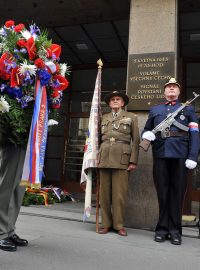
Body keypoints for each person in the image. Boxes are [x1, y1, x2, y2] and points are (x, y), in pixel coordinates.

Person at [141, 78, 200, 245]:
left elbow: (195, 134)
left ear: (179, 92)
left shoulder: (188, 109)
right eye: (169, 88)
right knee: (162, 193)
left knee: (177, 194)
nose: (171, 90)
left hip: (181, 155)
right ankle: (161, 229)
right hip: (160, 153)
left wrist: (193, 156)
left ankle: (175, 231)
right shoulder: (155, 109)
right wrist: (147, 135)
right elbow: (147, 129)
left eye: (174, 87)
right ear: (164, 92)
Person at [98, 91, 140, 236]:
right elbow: (98, 139)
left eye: (118, 99)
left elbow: (136, 140)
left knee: (119, 195)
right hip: (104, 158)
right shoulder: (103, 117)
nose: (115, 101)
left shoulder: (131, 117)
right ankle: (106, 224)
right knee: (104, 195)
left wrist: (133, 160)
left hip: (122, 159)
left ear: (123, 103)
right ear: (109, 104)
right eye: (113, 100)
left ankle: (118, 225)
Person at [0, 138, 28, 252]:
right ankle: (1, 232)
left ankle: (9, 230)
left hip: (26, 141)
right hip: (12, 139)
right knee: (6, 190)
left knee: (18, 191)